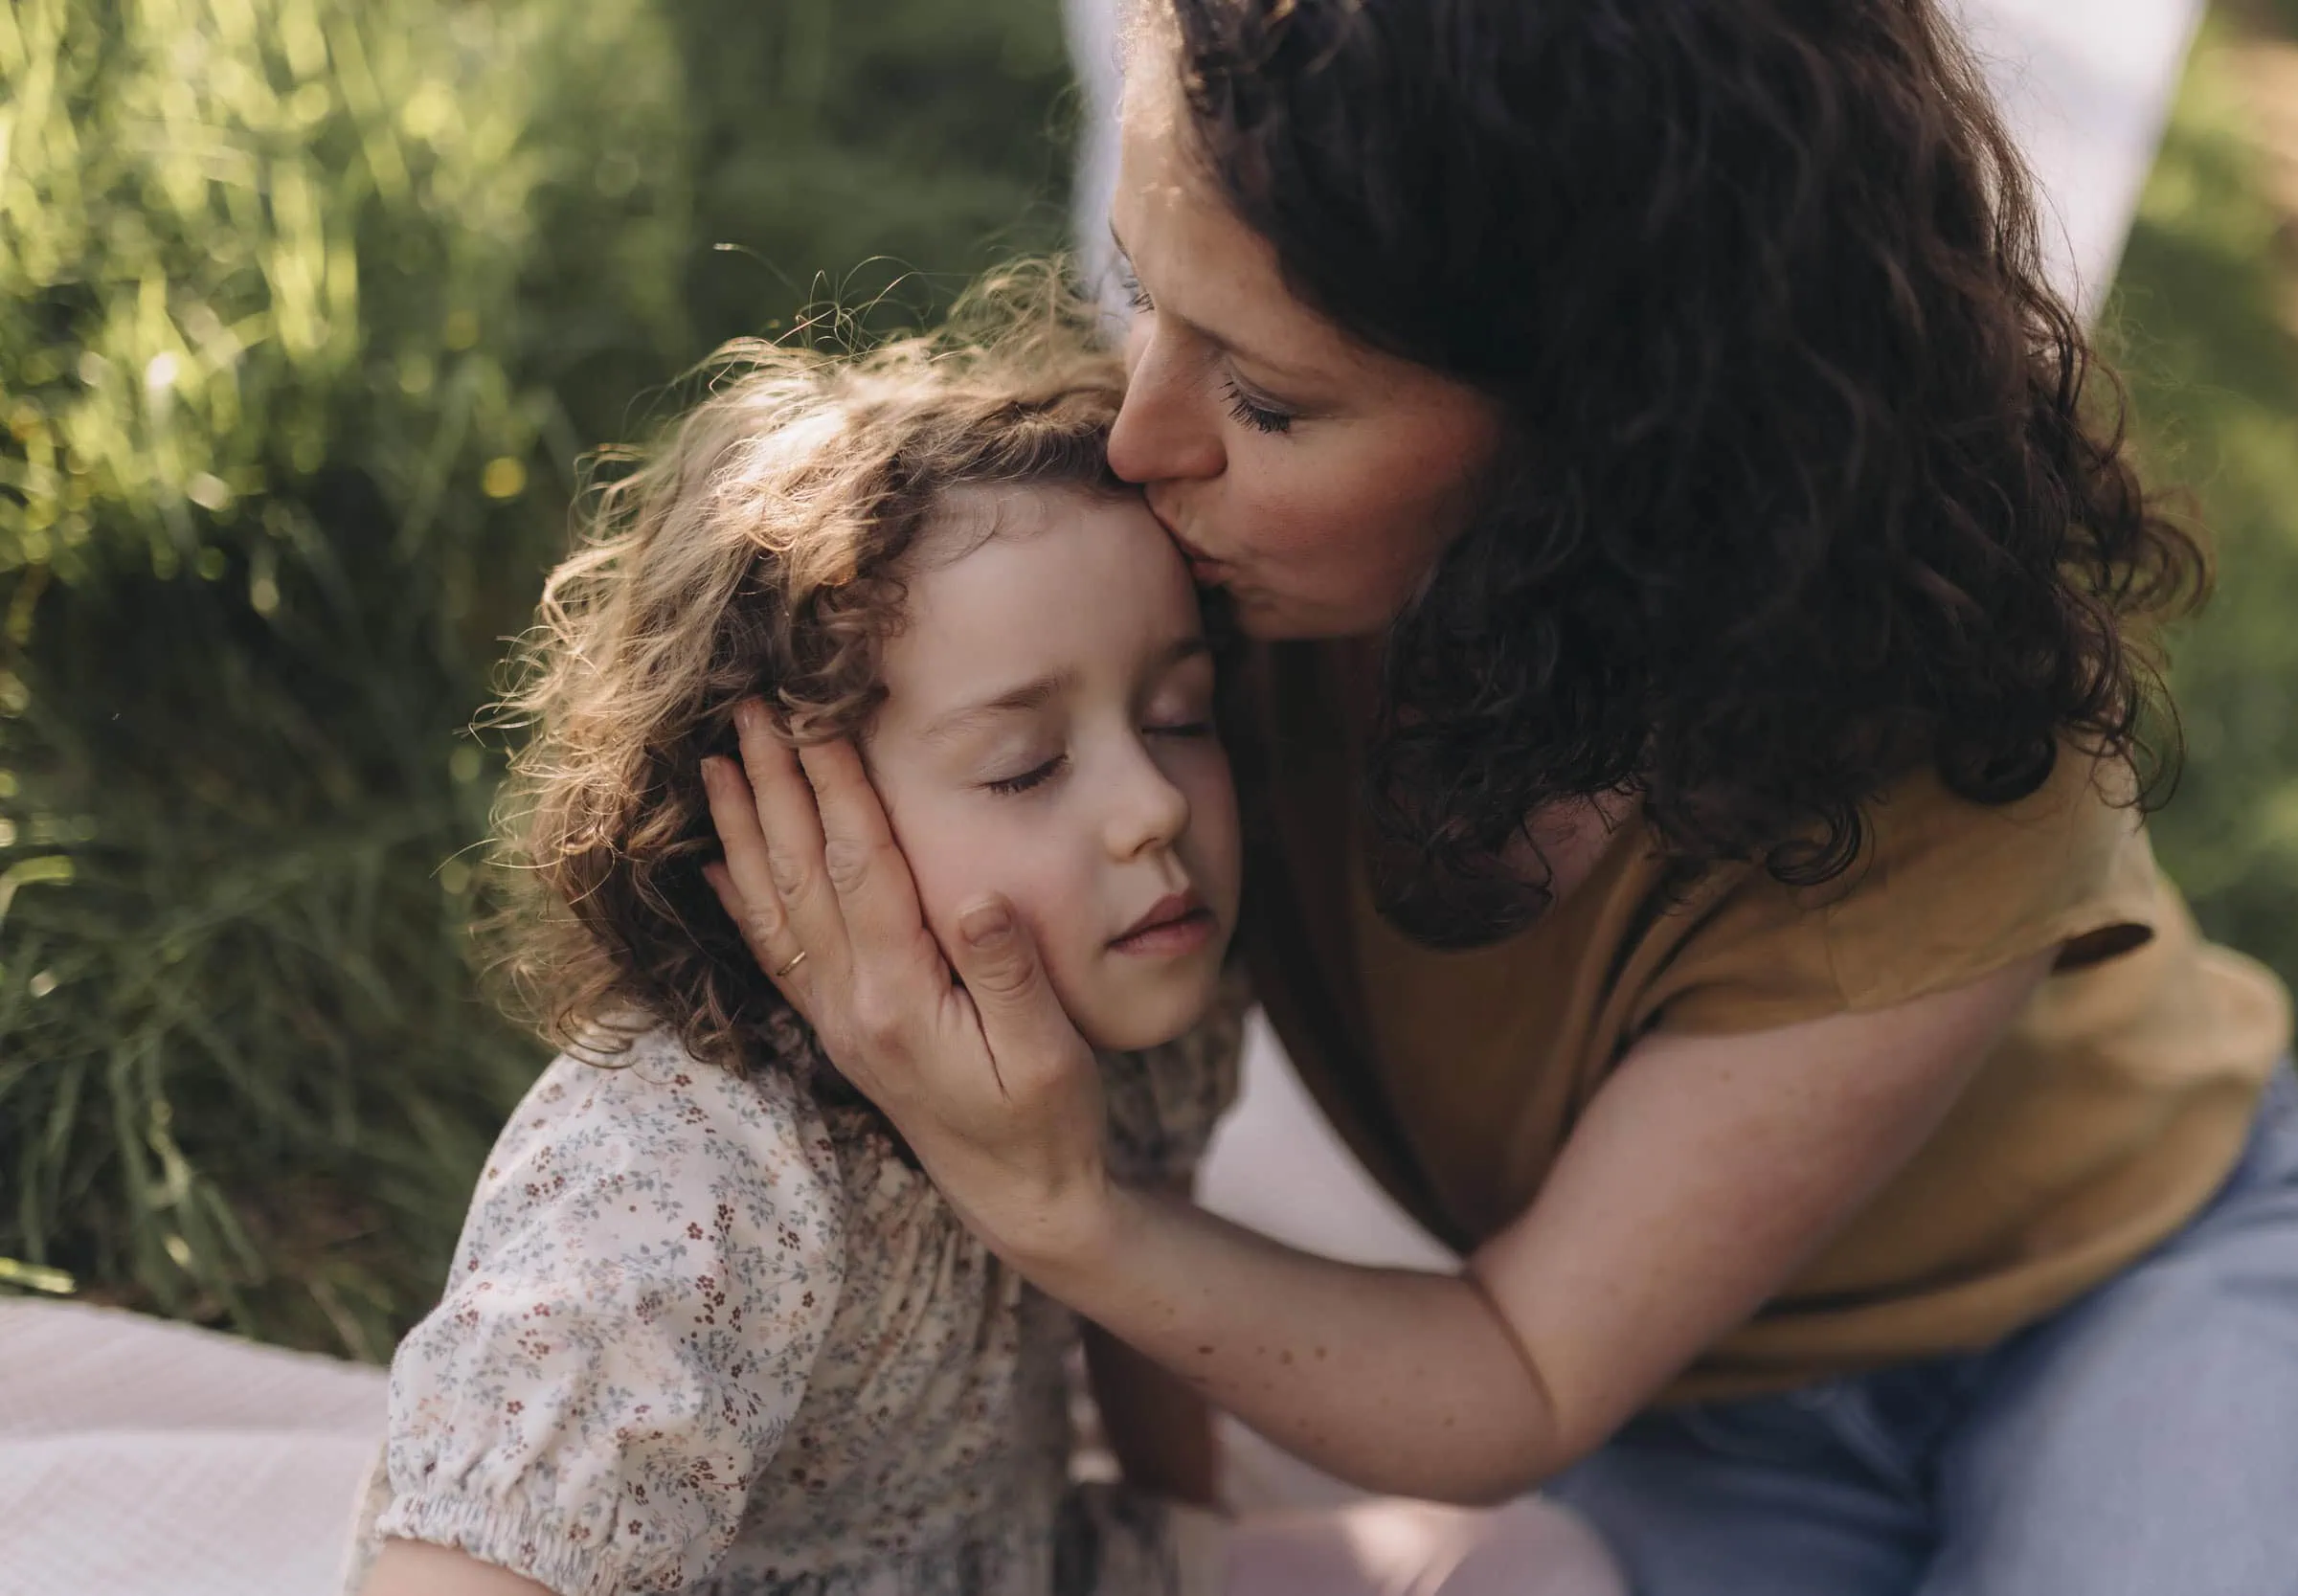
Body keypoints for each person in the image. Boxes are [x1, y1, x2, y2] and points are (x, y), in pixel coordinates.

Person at [699, 3, 2298, 1593]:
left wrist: (1060, 1204)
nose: (1140, 442)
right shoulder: (1178, 591)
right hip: (1697, 1417)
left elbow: (1514, 1369)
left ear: (1610, 437)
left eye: (1270, 398)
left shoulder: (1944, 761)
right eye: (1147, 299)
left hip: (2142, 1289)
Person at [350, 294, 1621, 1596]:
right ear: (788, 831)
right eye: (1025, 767)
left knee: (1540, 1560)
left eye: (1181, 713)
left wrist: (1182, 1547)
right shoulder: (693, 1182)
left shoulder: (1123, 996)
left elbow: (1151, 1294)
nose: (1155, 807)